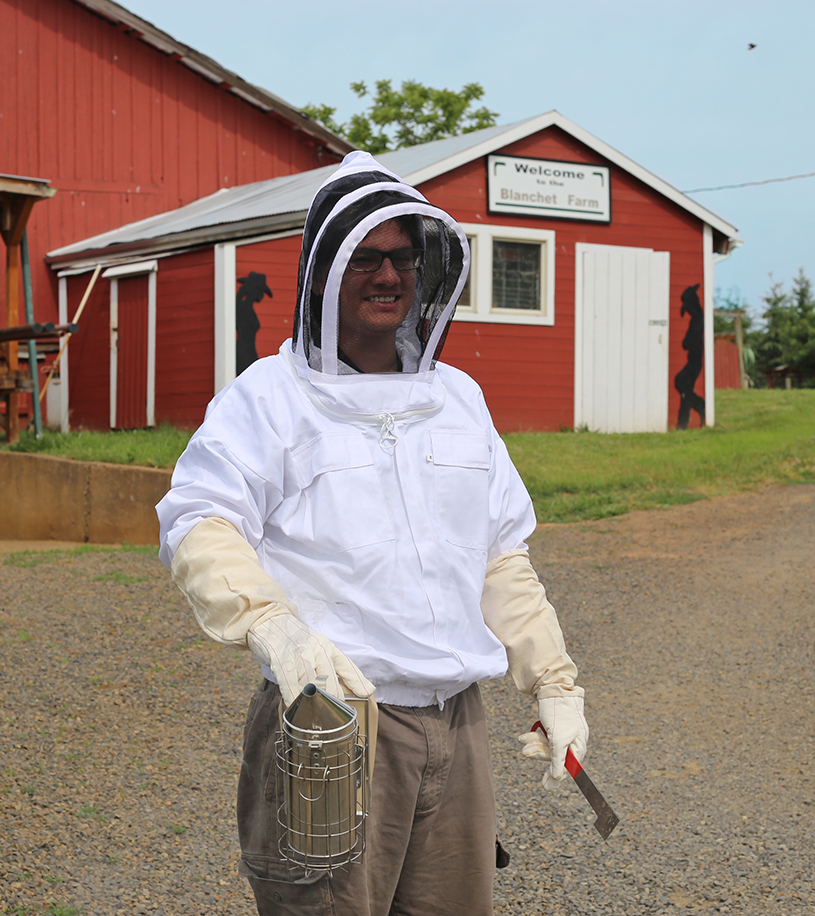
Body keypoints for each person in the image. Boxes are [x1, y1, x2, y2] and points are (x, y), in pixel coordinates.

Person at [157, 151, 589, 916]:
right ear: (321, 270)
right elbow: (200, 518)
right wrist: (274, 628)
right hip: (331, 725)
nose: (387, 276)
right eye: (363, 257)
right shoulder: (268, 399)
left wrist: (553, 683)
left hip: (457, 726)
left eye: (401, 257)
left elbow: (498, 557)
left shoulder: (456, 398)